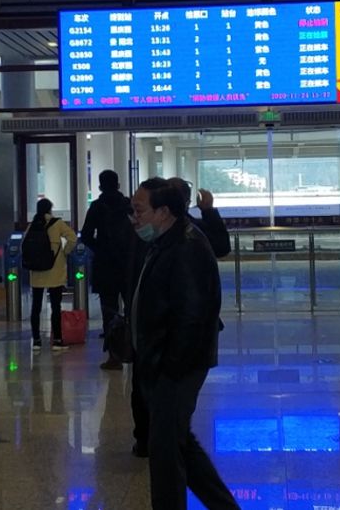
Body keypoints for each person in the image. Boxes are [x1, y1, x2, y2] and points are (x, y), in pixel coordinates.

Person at [131, 177, 239, 510]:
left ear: (163, 211)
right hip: (164, 362)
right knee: (178, 443)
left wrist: (170, 368)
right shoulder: (165, 241)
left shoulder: (187, 246)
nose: (134, 218)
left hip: (176, 365)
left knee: (165, 451)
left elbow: (193, 315)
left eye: (139, 210)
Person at [80, 170, 143, 370]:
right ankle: (137, 351)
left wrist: (101, 249)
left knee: (109, 311)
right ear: (118, 184)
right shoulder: (129, 206)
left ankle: (114, 356)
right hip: (129, 264)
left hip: (106, 265)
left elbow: (86, 235)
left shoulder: (97, 207)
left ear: (100, 185)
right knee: (133, 308)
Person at [27, 198, 77, 350]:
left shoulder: (32, 225)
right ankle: (57, 340)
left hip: (37, 272)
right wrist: (65, 252)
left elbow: (24, 245)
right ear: (50, 209)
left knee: (36, 307)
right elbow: (72, 238)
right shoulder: (57, 223)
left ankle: (36, 341)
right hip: (55, 271)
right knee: (56, 306)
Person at [167, 177, 231, 258]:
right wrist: (208, 210)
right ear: (187, 203)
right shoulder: (193, 229)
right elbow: (221, 247)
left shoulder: (157, 226)